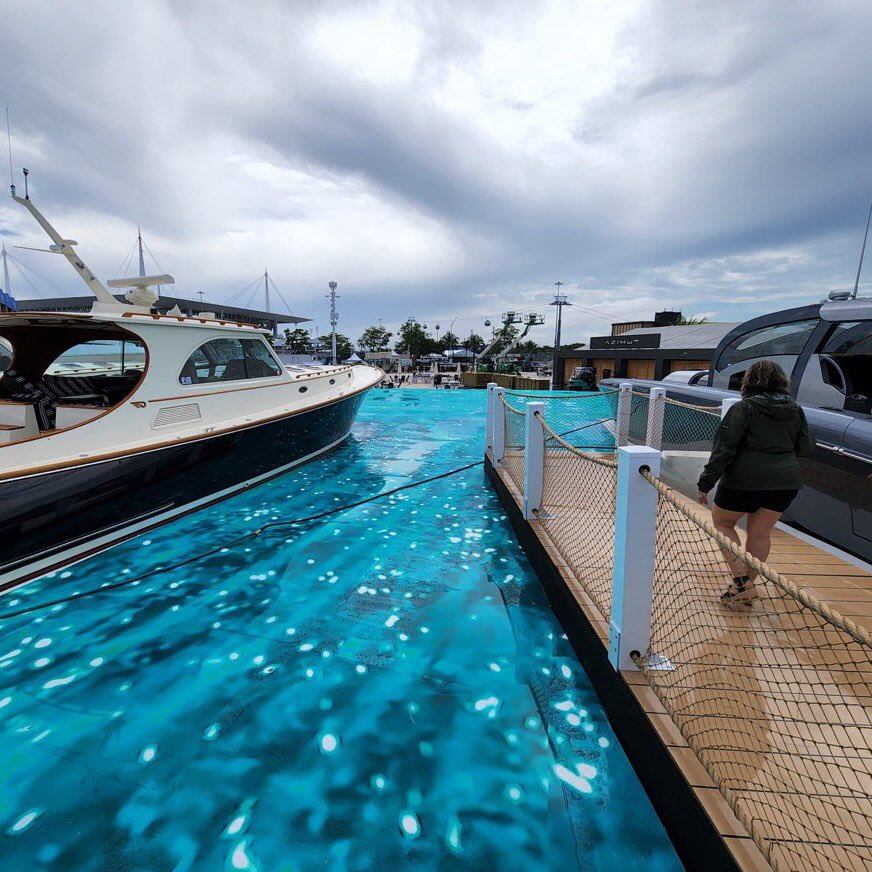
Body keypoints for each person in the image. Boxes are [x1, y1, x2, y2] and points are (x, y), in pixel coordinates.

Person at [697, 360, 815, 606]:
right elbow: (805, 447)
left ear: (749, 381)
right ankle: (745, 589)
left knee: (723, 523)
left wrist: (705, 482)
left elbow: (723, 450)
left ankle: (742, 584)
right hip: (785, 482)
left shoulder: (744, 408)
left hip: (743, 481)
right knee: (760, 533)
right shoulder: (795, 409)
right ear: (781, 381)